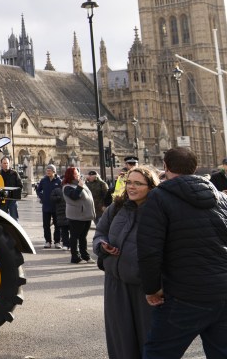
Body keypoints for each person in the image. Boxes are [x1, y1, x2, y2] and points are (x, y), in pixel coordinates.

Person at [138, 146, 227, 358]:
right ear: (195, 168)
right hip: (223, 292)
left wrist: (152, 289)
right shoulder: (221, 198)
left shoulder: (159, 197)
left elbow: (149, 249)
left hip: (185, 294)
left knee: (158, 353)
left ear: (165, 167)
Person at [92, 165, 160, 359]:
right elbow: (100, 233)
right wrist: (101, 245)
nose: (131, 187)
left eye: (138, 183)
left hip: (144, 287)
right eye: (129, 182)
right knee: (120, 341)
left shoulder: (159, 210)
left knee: (149, 341)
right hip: (115, 283)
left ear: (151, 186)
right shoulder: (117, 207)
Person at [62, 166, 95, 264]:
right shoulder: (67, 187)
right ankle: (75, 257)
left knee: (83, 237)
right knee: (75, 236)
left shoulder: (80, 184)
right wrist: (80, 186)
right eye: (76, 174)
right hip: (77, 216)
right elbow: (75, 196)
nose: (78, 175)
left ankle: (85, 256)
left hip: (86, 215)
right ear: (71, 175)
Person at [35, 164, 63, 248]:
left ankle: (57, 241)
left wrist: (59, 198)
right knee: (46, 225)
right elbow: (38, 190)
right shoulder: (43, 180)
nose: (48, 172)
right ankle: (48, 241)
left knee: (57, 225)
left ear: (54, 171)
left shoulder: (59, 181)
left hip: (56, 206)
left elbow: (62, 191)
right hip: (46, 206)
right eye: (47, 170)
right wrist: (42, 197)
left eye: (49, 170)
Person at [0, 156, 24, 220]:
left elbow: (20, 185)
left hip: (12, 199)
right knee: (2, 218)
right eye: (4, 163)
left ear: (9, 164)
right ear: (1, 164)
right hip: (3, 199)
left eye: (7, 163)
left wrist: (17, 195)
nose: (6, 165)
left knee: (14, 217)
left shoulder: (14, 173)